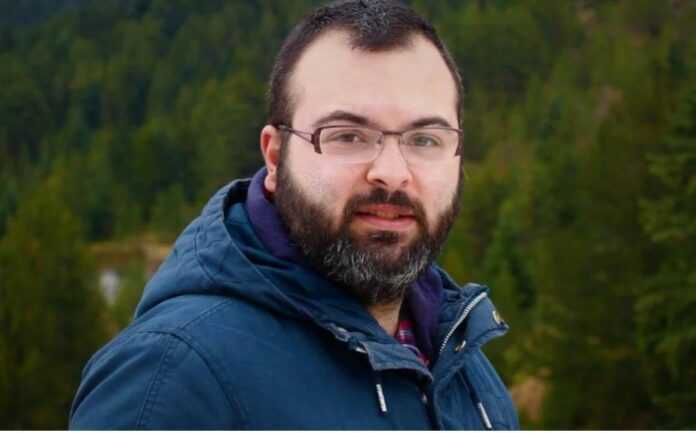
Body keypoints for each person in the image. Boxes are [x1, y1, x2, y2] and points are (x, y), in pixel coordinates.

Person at [70, 0, 519, 429]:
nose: (392, 173)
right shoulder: (172, 378)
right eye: (347, 136)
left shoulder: (460, 362)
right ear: (275, 156)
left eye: (425, 140)